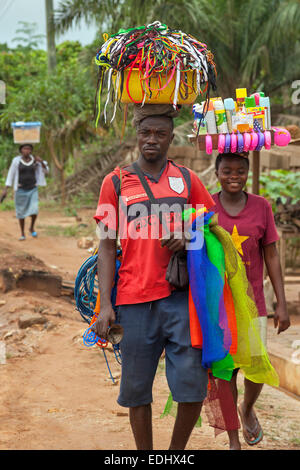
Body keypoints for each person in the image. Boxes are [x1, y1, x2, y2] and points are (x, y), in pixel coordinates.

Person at [92, 104, 215, 450]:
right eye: (146, 133)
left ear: (171, 138)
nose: (152, 140)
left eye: (160, 134)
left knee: (192, 386)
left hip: (180, 299)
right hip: (132, 300)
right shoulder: (115, 182)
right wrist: (105, 305)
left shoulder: (187, 180)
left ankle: (175, 454)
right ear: (137, 134)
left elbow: (212, 227)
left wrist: (189, 235)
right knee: (135, 390)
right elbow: (105, 243)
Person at [212, 151, 290, 449]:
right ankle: (234, 437)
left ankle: (246, 407)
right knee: (226, 371)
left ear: (247, 173)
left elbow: (271, 254)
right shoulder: (207, 205)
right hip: (218, 305)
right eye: (227, 170)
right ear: (217, 173)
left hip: (253, 301)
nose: (234, 175)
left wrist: (280, 303)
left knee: (256, 366)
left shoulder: (261, 207)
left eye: (240, 171)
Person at [0, 144, 49, 240]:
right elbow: (11, 174)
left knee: (34, 210)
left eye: (29, 149)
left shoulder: (35, 160)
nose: (27, 150)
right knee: (21, 213)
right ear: (21, 150)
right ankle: (22, 233)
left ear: (31, 150)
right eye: (24, 149)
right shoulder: (16, 161)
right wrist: (5, 189)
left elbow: (46, 171)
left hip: (32, 189)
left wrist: (41, 162)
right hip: (20, 190)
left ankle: (31, 227)